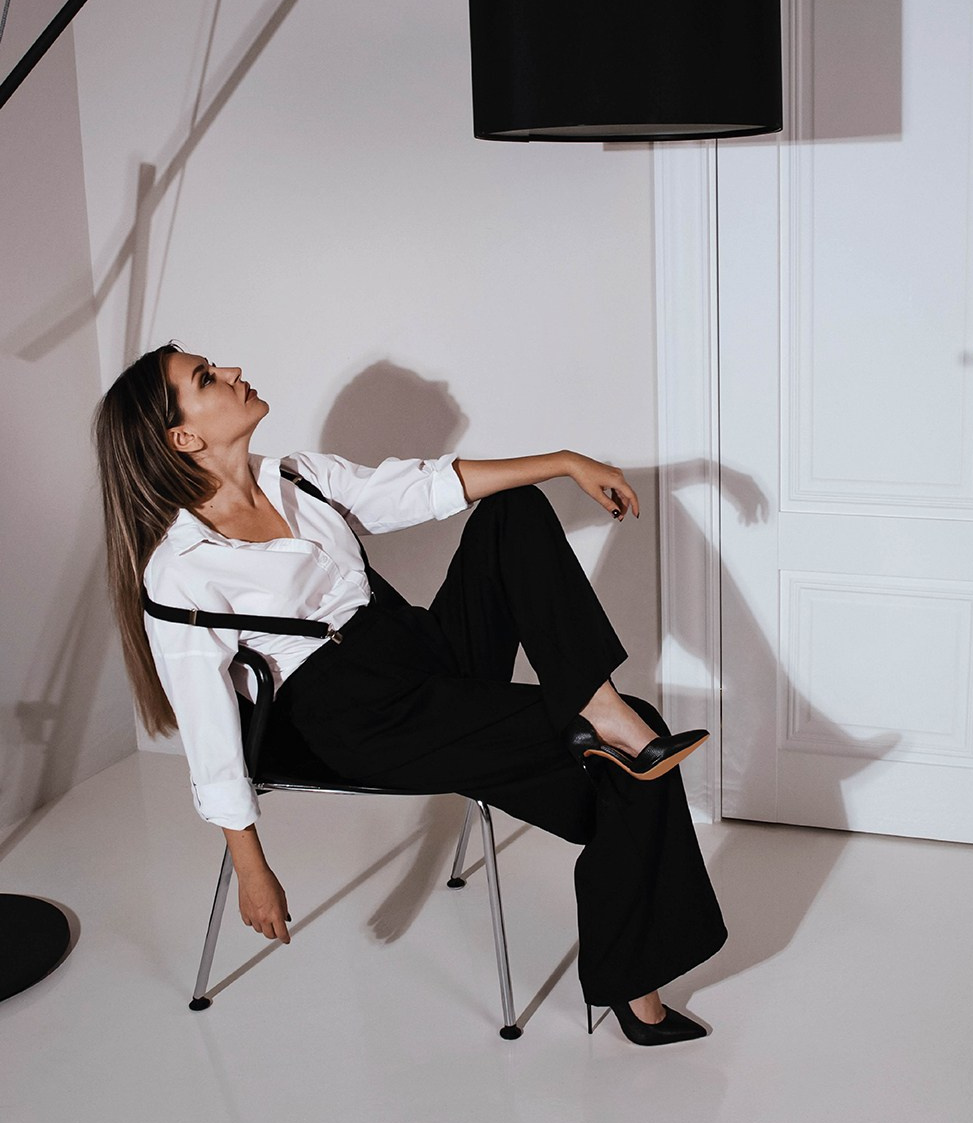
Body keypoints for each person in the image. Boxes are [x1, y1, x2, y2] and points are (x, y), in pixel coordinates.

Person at [94, 344, 727, 1045]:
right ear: (183, 438)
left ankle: (598, 707)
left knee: (512, 509)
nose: (233, 372)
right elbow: (209, 730)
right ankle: (636, 986)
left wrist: (566, 461)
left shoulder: (295, 477)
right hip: (357, 717)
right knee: (630, 751)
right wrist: (252, 868)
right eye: (206, 379)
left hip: (414, 648)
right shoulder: (181, 570)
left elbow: (425, 487)